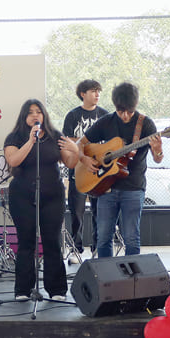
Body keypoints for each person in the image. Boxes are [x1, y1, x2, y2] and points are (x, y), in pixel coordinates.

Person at [3, 99, 79, 300]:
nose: (35, 115)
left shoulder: (55, 136)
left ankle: (57, 290)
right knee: (26, 242)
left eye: (38, 112)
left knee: (52, 241)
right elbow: (13, 161)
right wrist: (30, 141)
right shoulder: (15, 137)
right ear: (23, 117)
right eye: (30, 112)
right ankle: (23, 290)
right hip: (22, 196)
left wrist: (76, 149)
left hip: (52, 195)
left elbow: (70, 162)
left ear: (44, 115)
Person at [78, 82, 164, 258]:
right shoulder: (106, 122)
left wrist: (158, 150)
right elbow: (81, 144)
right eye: (120, 111)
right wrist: (84, 159)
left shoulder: (146, 125)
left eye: (129, 112)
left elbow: (158, 158)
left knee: (132, 238)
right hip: (106, 187)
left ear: (135, 106)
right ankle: (106, 280)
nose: (125, 116)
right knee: (103, 237)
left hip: (133, 187)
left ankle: (132, 281)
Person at [61, 79, 107, 261]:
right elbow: (68, 141)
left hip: (99, 170)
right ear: (83, 94)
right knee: (76, 212)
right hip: (78, 169)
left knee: (99, 211)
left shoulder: (105, 115)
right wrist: (83, 152)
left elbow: (109, 141)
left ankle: (98, 247)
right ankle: (75, 248)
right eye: (93, 91)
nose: (97, 95)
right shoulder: (72, 115)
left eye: (98, 91)